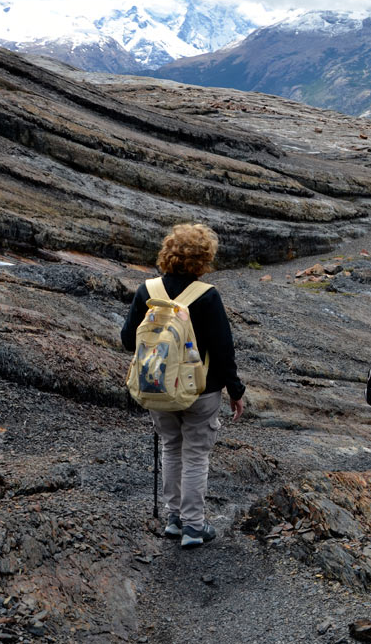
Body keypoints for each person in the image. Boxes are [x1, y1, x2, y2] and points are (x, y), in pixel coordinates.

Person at [120, 223, 245, 548]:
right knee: (195, 455)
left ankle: (173, 520)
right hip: (201, 391)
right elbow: (222, 350)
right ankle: (194, 526)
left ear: (167, 253)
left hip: (157, 387)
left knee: (171, 448)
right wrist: (235, 390)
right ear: (204, 259)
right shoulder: (207, 296)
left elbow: (126, 339)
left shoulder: (148, 292)